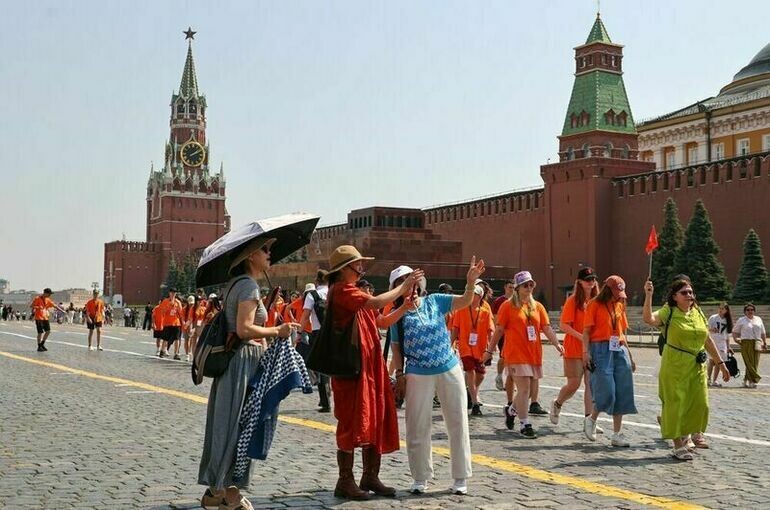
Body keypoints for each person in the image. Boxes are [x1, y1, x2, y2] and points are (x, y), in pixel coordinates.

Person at [198, 237, 299, 510]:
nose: (270, 254)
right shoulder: (248, 286)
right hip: (243, 363)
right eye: (265, 250)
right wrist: (277, 331)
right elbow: (244, 329)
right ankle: (222, 490)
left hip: (239, 363)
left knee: (235, 424)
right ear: (250, 256)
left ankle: (226, 493)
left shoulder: (238, 285)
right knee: (240, 425)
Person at [324, 245, 422, 501]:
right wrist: (404, 286)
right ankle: (345, 481)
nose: (361, 268)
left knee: (374, 417)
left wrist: (403, 307)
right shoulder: (342, 291)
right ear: (345, 268)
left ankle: (370, 476)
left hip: (370, 368)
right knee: (350, 422)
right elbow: (377, 302)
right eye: (357, 264)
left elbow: (380, 321)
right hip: (352, 370)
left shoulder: (353, 291)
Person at [385, 259, 483, 496]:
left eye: (413, 281)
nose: (411, 285)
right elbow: (396, 349)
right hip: (418, 372)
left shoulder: (435, 301)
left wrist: (470, 283)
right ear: (397, 288)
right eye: (404, 282)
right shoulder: (397, 314)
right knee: (417, 426)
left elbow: (464, 301)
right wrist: (400, 374)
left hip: (448, 368)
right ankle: (420, 477)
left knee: (457, 421)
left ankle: (460, 477)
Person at [643, 279, 730, 460]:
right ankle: (677, 444)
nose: (689, 296)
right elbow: (649, 319)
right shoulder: (669, 311)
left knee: (700, 403)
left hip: (697, 365)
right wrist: (649, 295)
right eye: (685, 293)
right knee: (675, 403)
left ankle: (687, 434)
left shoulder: (697, 311)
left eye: (691, 292)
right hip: (674, 364)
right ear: (675, 297)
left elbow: (706, 339)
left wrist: (721, 364)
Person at [482, 271, 562, 438]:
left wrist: (557, 344)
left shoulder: (537, 306)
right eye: (525, 285)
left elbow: (546, 327)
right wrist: (489, 351)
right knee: (524, 389)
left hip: (533, 353)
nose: (529, 288)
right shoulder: (507, 306)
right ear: (517, 288)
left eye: (531, 284)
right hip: (515, 353)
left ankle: (511, 410)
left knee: (528, 391)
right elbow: (499, 330)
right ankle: (525, 424)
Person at [582, 276, 637, 447]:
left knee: (622, 390)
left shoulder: (620, 305)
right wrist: (585, 353)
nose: (619, 296)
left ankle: (616, 434)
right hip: (600, 348)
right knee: (607, 389)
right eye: (616, 292)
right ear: (608, 290)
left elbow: (621, 331)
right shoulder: (594, 305)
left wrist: (630, 354)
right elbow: (586, 332)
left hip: (618, 348)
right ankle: (591, 419)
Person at [551, 267, 599, 427]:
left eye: (593, 279)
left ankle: (588, 420)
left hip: (591, 349)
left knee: (590, 383)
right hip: (574, 348)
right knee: (574, 383)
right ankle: (557, 403)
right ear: (579, 282)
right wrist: (581, 337)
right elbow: (564, 325)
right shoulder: (573, 301)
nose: (591, 282)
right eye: (588, 280)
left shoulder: (596, 300)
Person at [452, 285, 495, 417]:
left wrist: (491, 348)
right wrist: (450, 343)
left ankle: (470, 392)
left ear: (480, 296)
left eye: (475, 294)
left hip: (480, 349)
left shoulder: (485, 312)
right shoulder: (461, 310)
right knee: (470, 372)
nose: (472, 296)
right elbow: (455, 328)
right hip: (465, 347)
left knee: (481, 374)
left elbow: (490, 330)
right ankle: (475, 402)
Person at [300, 270, 331, 413]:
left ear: (316, 281)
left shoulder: (312, 295)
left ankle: (325, 401)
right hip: (334, 332)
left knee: (320, 367)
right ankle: (329, 392)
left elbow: (305, 316)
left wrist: (299, 332)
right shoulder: (332, 292)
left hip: (318, 332)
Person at [732, 303, 767, 388]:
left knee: (755, 362)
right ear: (745, 311)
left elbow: (763, 332)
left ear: (754, 311)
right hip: (745, 342)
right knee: (748, 362)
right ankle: (754, 379)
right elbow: (735, 331)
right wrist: (736, 339)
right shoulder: (741, 320)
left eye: (752, 310)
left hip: (757, 342)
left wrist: (765, 343)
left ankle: (746, 380)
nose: (750, 311)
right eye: (748, 310)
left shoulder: (758, 319)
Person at [491, 279, 515, 391]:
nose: (512, 289)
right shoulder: (499, 301)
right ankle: (500, 376)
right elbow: (496, 319)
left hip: (514, 334)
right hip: (503, 334)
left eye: (514, 287)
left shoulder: (517, 301)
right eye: (510, 287)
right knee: (504, 356)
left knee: (513, 358)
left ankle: (511, 381)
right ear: (505, 287)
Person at [707, 302, 733, 387]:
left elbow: (727, 336)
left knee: (719, 361)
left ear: (726, 310)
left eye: (723, 309)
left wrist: (728, 347)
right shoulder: (713, 318)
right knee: (711, 361)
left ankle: (715, 380)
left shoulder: (727, 320)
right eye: (720, 308)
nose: (721, 310)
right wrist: (711, 329)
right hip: (713, 341)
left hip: (722, 343)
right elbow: (706, 328)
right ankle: (708, 379)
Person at [158, 288, 183, 358]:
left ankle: (176, 354)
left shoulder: (178, 302)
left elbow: (181, 313)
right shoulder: (165, 301)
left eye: (174, 293)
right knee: (165, 338)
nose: (173, 294)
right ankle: (162, 351)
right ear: (169, 293)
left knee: (177, 339)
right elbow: (162, 312)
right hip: (167, 323)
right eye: (172, 292)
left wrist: (178, 310)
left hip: (176, 323)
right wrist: (168, 307)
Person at [183, 295, 197, 361]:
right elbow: (182, 318)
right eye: (190, 303)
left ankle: (190, 351)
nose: (191, 304)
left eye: (192, 303)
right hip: (186, 326)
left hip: (193, 326)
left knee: (192, 340)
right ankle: (187, 354)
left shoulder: (195, 309)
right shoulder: (184, 309)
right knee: (186, 340)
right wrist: (185, 325)